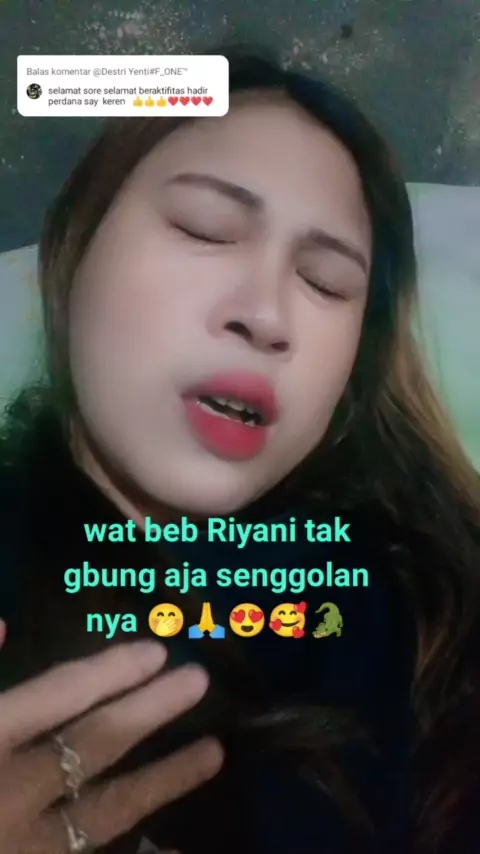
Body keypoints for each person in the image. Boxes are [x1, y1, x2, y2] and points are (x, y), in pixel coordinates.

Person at [0, 43, 479, 854]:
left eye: (325, 282)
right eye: (206, 228)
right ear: (73, 250)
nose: (266, 314)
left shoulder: (440, 630)